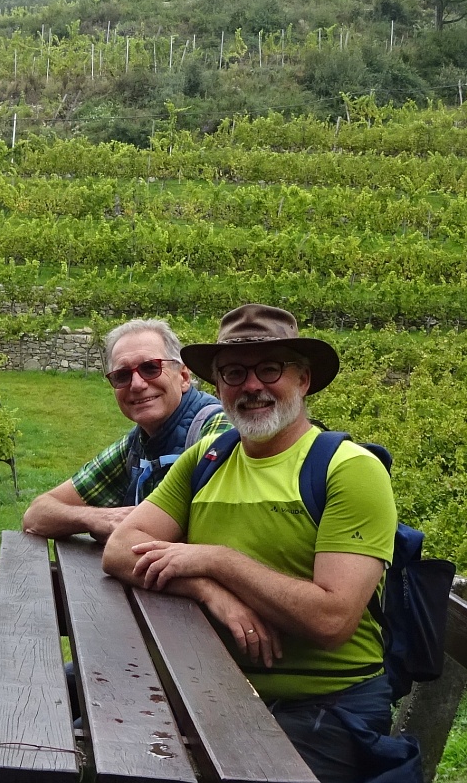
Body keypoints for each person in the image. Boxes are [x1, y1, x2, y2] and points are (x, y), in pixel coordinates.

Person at [103, 304, 419, 783]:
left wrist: (218, 561)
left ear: (303, 380)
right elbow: (120, 549)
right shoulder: (208, 459)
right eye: (234, 373)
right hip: (215, 690)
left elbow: (332, 620)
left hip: (324, 708)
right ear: (218, 386)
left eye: (270, 369)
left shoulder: (348, 470)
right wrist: (207, 589)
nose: (251, 386)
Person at [22, 318, 229, 540]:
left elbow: (215, 532)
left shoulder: (219, 432)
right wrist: (99, 518)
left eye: (151, 368)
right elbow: (36, 514)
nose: (137, 384)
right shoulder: (136, 446)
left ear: (184, 377)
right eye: (122, 375)